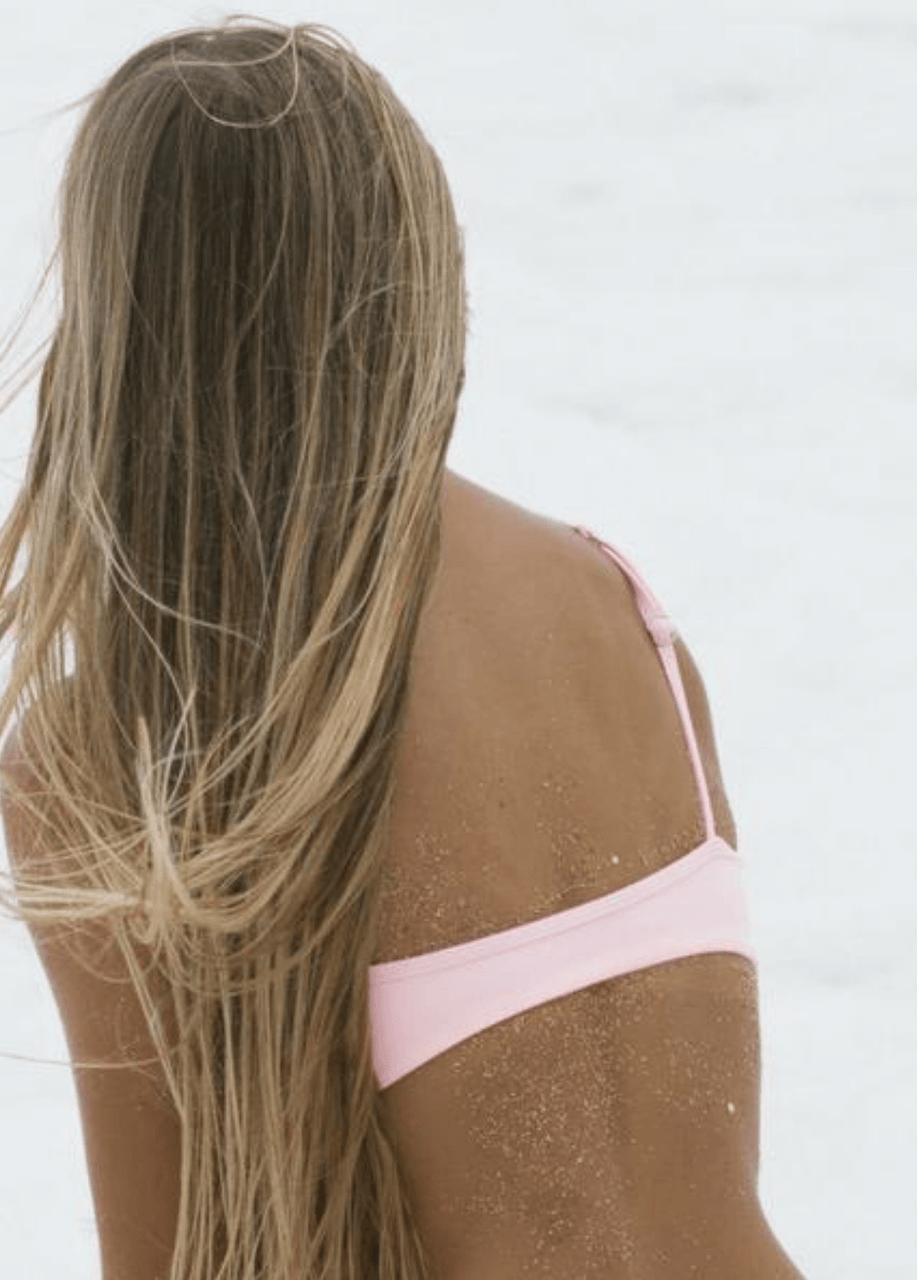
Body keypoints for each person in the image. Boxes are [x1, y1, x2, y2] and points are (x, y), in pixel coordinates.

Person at [0, 17, 808, 1280]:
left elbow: (172, 1260)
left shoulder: (121, 745)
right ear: (414, 253)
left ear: (126, 328)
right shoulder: (611, 600)